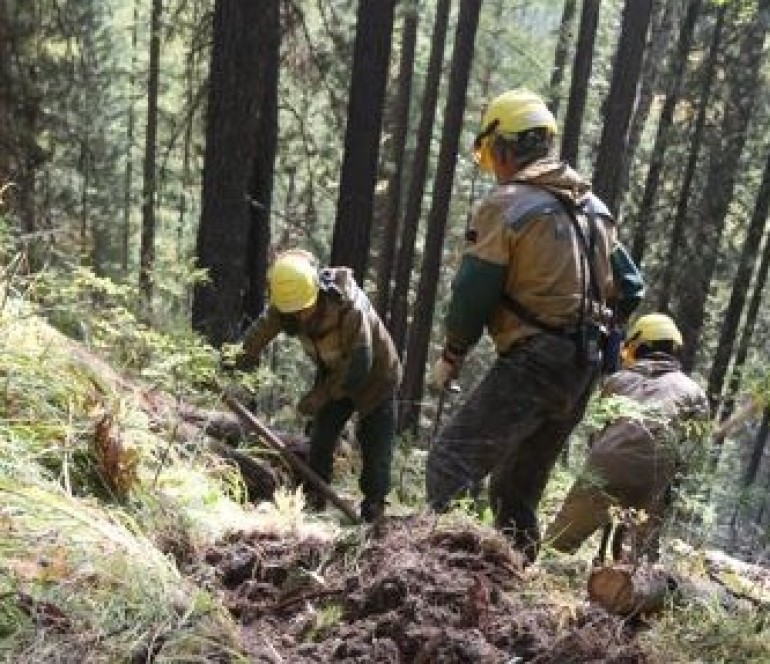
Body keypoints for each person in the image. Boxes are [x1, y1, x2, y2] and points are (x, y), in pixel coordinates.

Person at [425, 89, 644, 562]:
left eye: (490, 155)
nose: (493, 165)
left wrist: (452, 354)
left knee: (451, 460)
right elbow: (632, 286)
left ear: (502, 147)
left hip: (536, 361)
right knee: (515, 488)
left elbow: (473, 292)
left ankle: (440, 574)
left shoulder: (506, 204)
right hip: (583, 366)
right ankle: (514, 583)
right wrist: (596, 327)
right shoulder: (594, 209)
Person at [231, 249, 401, 523]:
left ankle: (374, 509)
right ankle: (315, 499)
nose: (299, 317)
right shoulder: (288, 303)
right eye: (293, 312)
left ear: (317, 291)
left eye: (303, 310)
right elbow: (259, 332)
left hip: (376, 376)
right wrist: (232, 360)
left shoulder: (349, 309)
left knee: (375, 445)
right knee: (321, 437)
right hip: (334, 373)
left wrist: (319, 396)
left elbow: (360, 366)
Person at [545, 313, 709, 562]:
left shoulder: (616, 381)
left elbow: (597, 432)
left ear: (639, 346)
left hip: (604, 466)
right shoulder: (694, 392)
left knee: (557, 544)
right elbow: (691, 450)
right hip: (654, 476)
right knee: (640, 564)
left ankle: (531, 577)